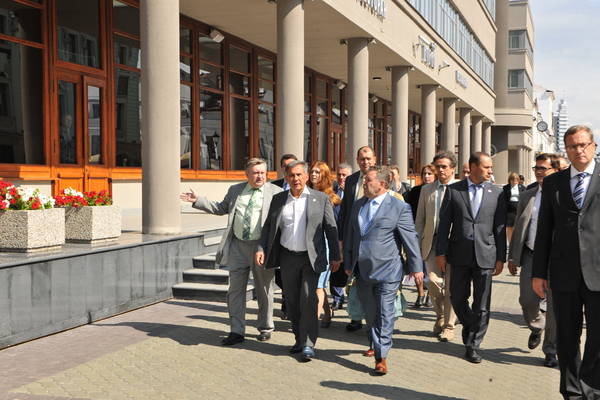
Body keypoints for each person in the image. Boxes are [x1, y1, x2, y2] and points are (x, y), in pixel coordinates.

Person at [180, 158, 282, 345]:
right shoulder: (235, 190)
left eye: (263, 172)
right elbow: (221, 208)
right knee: (235, 290)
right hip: (238, 247)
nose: (260, 176)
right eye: (255, 173)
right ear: (247, 174)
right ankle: (236, 330)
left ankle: (265, 327)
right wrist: (198, 201)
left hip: (262, 248)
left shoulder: (276, 193)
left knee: (264, 289)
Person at [532, 125, 600, 399]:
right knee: (567, 338)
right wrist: (538, 273)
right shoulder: (553, 183)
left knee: (597, 339)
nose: (578, 150)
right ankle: (572, 392)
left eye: (583, 144)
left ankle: (592, 389)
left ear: (593, 146)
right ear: (566, 150)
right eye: (573, 146)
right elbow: (544, 230)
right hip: (563, 273)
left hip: (598, 272)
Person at [256, 160, 340, 362]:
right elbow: (268, 227)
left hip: (311, 258)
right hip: (287, 257)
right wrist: (260, 248)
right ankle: (299, 339)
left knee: (309, 298)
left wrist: (335, 256)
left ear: (306, 176)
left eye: (299, 175)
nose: (295, 179)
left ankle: (309, 343)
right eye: (291, 175)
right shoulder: (279, 199)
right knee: (292, 302)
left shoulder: (320, 199)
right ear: (286, 177)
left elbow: (331, 229)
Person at [343, 166, 424, 375]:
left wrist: (416, 267)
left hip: (388, 270)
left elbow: (410, 238)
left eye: (368, 180)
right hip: (362, 270)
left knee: (385, 313)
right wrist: (348, 263)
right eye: (364, 180)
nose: (364, 183)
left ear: (382, 184)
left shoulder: (399, 207)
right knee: (370, 313)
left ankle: (381, 356)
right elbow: (351, 235)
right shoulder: (358, 205)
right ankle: (374, 342)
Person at [436, 152, 507, 364]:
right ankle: (470, 323)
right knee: (457, 297)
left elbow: (500, 228)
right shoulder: (454, 190)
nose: (490, 171)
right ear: (473, 167)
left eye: (491, 167)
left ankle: (473, 345)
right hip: (459, 254)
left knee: (482, 304)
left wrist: (501, 257)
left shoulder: (497, 193)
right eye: (486, 167)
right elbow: (444, 224)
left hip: (486, 254)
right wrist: (440, 252)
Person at [508, 153, 560, 368]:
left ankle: (551, 351)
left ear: (555, 171)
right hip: (531, 255)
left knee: (555, 308)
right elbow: (519, 228)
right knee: (527, 300)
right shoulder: (527, 196)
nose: (539, 172)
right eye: (536, 168)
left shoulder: (562, 195)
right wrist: (513, 257)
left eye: (543, 168)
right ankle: (537, 326)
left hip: (556, 259)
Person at [415, 152, 458, 342]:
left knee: (451, 287)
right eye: (437, 166)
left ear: (453, 169)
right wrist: (416, 244)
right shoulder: (427, 190)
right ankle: (440, 315)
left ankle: (449, 326)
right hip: (431, 243)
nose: (440, 170)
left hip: (454, 245)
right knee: (433, 282)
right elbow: (420, 219)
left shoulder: (460, 189)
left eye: (444, 167)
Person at [338, 146, 377, 332]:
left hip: (374, 239)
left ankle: (374, 319)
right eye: (362, 158)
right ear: (357, 160)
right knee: (353, 278)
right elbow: (345, 211)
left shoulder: (382, 178)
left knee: (371, 279)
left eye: (368, 158)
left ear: (374, 159)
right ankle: (356, 316)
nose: (365, 162)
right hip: (353, 237)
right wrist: (341, 238)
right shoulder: (351, 180)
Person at [308, 161, 342, 328]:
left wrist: (337, 253)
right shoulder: (305, 193)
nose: (313, 174)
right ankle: (327, 312)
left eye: (318, 172)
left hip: (325, 246)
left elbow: (333, 227)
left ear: (325, 176)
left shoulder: (331, 198)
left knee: (318, 286)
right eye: (312, 171)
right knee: (317, 285)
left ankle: (311, 324)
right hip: (308, 245)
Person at [405, 164, 436, 308]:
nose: (426, 176)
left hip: (432, 234)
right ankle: (420, 294)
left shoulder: (436, 191)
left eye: (430, 174)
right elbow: (409, 211)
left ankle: (430, 294)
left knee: (430, 267)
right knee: (417, 265)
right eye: (424, 174)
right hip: (416, 232)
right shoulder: (415, 191)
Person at [271, 153, 298, 319]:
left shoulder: (303, 185)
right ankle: (287, 299)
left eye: (292, 165)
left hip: (296, 237)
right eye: (285, 166)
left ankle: (289, 305)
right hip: (278, 237)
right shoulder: (274, 186)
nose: (289, 169)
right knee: (280, 275)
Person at [330, 162, 353, 310]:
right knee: (335, 267)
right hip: (334, 233)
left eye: (344, 175)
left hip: (349, 235)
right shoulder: (331, 191)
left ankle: (351, 297)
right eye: (339, 174)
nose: (341, 177)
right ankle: (337, 298)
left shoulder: (354, 191)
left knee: (348, 267)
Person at [503, 172, 526, 243]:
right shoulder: (505, 188)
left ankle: (517, 243)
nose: (514, 181)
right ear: (510, 180)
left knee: (518, 227)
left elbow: (524, 198)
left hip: (518, 210)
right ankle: (510, 243)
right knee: (509, 227)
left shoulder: (522, 187)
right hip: (509, 210)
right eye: (513, 180)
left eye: (516, 180)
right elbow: (503, 199)